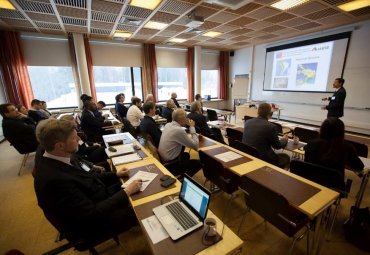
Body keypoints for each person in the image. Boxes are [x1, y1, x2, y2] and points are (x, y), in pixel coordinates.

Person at [34, 118, 142, 242]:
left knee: (133, 183)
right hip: (92, 226)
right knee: (144, 208)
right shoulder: (54, 181)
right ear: (60, 145)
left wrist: (116, 174)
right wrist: (127, 192)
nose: (78, 140)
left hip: (96, 196)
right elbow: (92, 215)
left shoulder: (62, 155)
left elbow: (88, 178)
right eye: (74, 138)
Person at [242, 103, 290, 169]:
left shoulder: (248, 122)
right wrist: (284, 139)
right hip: (262, 159)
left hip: (247, 154)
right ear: (270, 113)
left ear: (258, 112)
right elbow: (277, 146)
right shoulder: (271, 126)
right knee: (286, 157)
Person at [158, 109, 202, 177]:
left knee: (186, 154)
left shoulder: (168, 125)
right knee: (199, 163)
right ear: (182, 119)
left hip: (163, 158)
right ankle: (184, 179)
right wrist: (192, 127)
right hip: (171, 163)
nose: (187, 119)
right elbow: (195, 146)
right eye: (186, 117)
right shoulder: (178, 130)